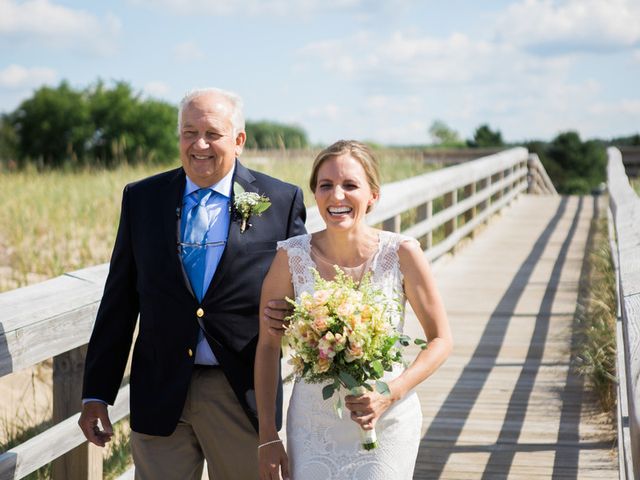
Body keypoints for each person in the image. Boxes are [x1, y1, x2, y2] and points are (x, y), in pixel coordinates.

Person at [78, 87, 306, 480]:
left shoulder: (281, 200)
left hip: (240, 392)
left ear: (239, 141)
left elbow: (304, 293)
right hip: (159, 390)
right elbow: (119, 300)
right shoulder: (142, 198)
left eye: (212, 134)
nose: (199, 144)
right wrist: (97, 392)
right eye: (188, 133)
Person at [255, 140, 453, 479]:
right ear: (314, 194)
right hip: (312, 422)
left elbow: (441, 340)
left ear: (373, 195)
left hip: (387, 418)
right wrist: (267, 436)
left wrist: (390, 393)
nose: (337, 196)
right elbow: (267, 347)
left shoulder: (401, 253)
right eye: (326, 185)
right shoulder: (291, 257)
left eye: (350, 185)